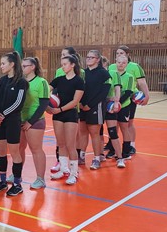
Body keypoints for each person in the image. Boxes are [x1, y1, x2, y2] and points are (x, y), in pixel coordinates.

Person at [0, 51, 28, 197]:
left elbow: (18, 103)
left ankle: (17, 184)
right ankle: (2, 181)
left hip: (12, 121)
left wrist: (3, 115)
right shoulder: (1, 81)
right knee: (1, 153)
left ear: (12, 64)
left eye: (3, 63)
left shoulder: (21, 82)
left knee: (14, 153)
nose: (1, 66)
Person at [48, 55, 85, 184]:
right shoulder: (59, 80)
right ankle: (64, 170)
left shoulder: (79, 81)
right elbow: (46, 90)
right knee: (61, 143)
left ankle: (74, 173)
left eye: (65, 64)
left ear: (73, 65)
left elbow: (75, 101)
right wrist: (47, 105)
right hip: (57, 115)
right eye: (62, 64)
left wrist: (60, 109)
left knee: (70, 145)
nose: (62, 67)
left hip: (70, 114)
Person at [108, 45, 150, 155]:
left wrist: (147, 96)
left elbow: (141, 82)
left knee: (128, 124)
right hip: (113, 99)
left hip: (128, 99)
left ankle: (131, 145)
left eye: (121, 53)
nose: (119, 55)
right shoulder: (111, 67)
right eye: (117, 53)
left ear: (127, 54)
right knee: (113, 123)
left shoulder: (135, 67)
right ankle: (112, 145)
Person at [17, 57, 49, 189]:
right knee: (19, 148)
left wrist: (30, 122)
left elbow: (44, 105)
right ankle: (17, 175)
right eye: (22, 66)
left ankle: (40, 179)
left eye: (25, 66)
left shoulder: (41, 82)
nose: (22, 68)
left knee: (36, 149)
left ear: (33, 67)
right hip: (20, 119)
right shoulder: (20, 82)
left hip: (35, 121)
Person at [78, 50, 111, 170]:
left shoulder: (104, 74)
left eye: (91, 57)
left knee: (94, 133)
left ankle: (97, 158)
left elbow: (103, 93)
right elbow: (79, 89)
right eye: (87, 57)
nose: (88, 59)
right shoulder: (83, 73)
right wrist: (80, 103)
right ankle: (81, 156)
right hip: (82, 107)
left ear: (97, 59)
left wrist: (90, 105)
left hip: (96, 107)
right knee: (82, 132)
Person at [105, 56, 136, 167]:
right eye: (119, 62)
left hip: (124, 106)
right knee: (113, 128)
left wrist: (118, 103)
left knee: (124, 127)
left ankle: (126, 151)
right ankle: (113, 150)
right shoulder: (112, 74)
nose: (121, 64)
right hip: (111, 106)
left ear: (127, 64)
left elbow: (128, 92)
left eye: (123, 63)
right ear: (115, 63)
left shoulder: (129, 76)